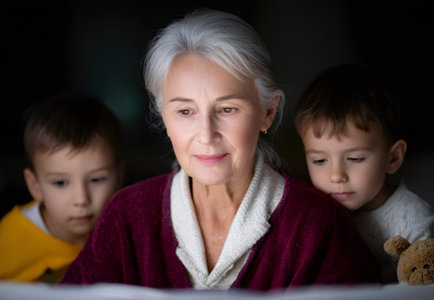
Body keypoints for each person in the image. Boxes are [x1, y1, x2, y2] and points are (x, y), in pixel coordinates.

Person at [60, 9, 379, 290]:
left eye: (227, 109)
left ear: (268, 112)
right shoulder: (126, 216)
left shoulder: (319, 227)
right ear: (164, 119)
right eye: (185, 111)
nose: (206, 134)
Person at [294, 63, 434, 283]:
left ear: (393, 158)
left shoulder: (412, 220)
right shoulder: (317, 210)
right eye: (320, 160)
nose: (336, 175)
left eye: (355, 158)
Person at [0, 93, 125, 283]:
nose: (81, 199)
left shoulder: (121, 227)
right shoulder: (15, 237)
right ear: (35, 186)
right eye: (60, 183)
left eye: (97, 179)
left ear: (118, 178)